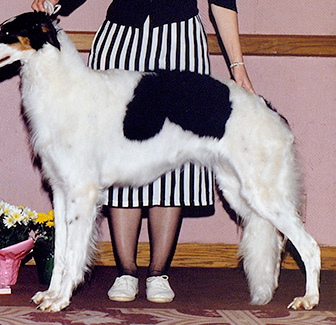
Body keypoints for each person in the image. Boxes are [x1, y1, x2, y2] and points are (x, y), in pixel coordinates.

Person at [31, 0, 254, 303]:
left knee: (175, 154)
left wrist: (237, 65)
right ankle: (125, 271)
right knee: (113, 152)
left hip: (180, 40)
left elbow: (221, 2)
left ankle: (158, 272)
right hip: (120, 38)